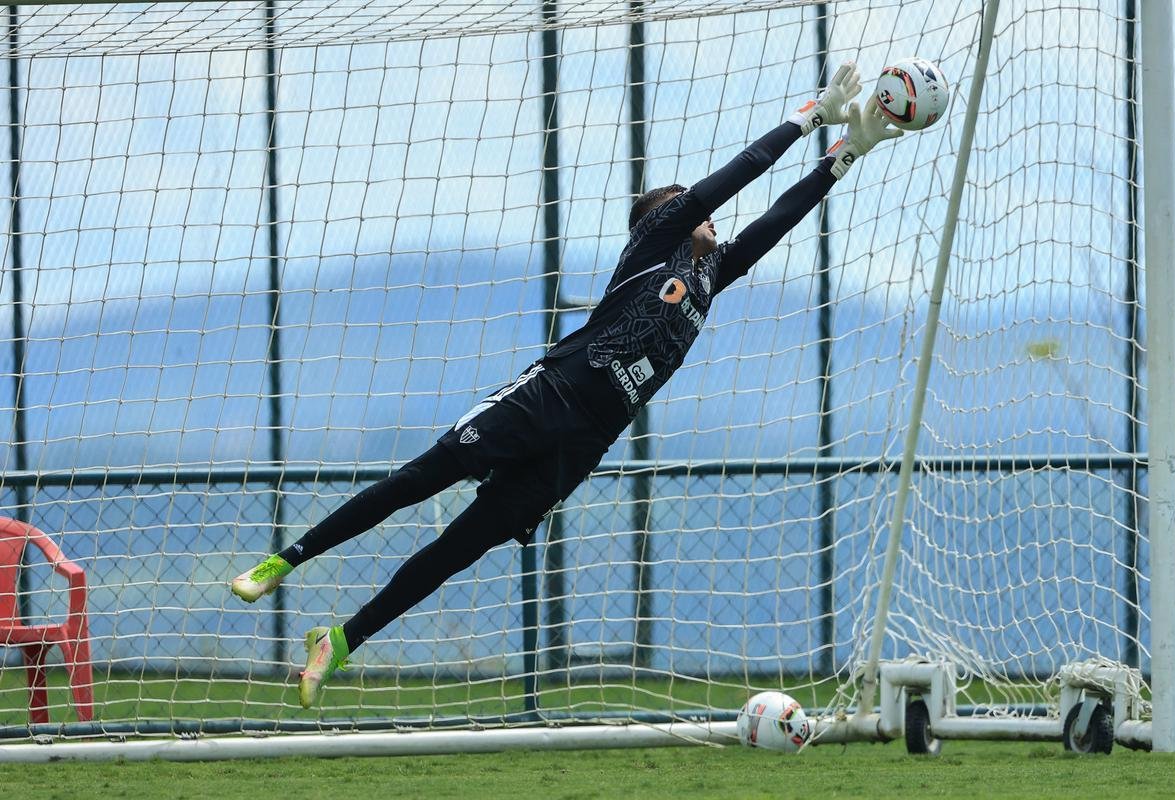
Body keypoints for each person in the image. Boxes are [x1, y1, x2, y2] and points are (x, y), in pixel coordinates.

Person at [230, 63, 902, 708]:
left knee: (456, 551)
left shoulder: (707, 278)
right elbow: (739, 175)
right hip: (548, 396)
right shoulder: (651, 248)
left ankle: (340, 642)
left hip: (582, 444)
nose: (710, 219)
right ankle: (285, 561)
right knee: (417, 482)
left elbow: (777, 217)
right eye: (686, 207)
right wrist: (808, 117)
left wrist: (848, 150)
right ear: (658, 220)